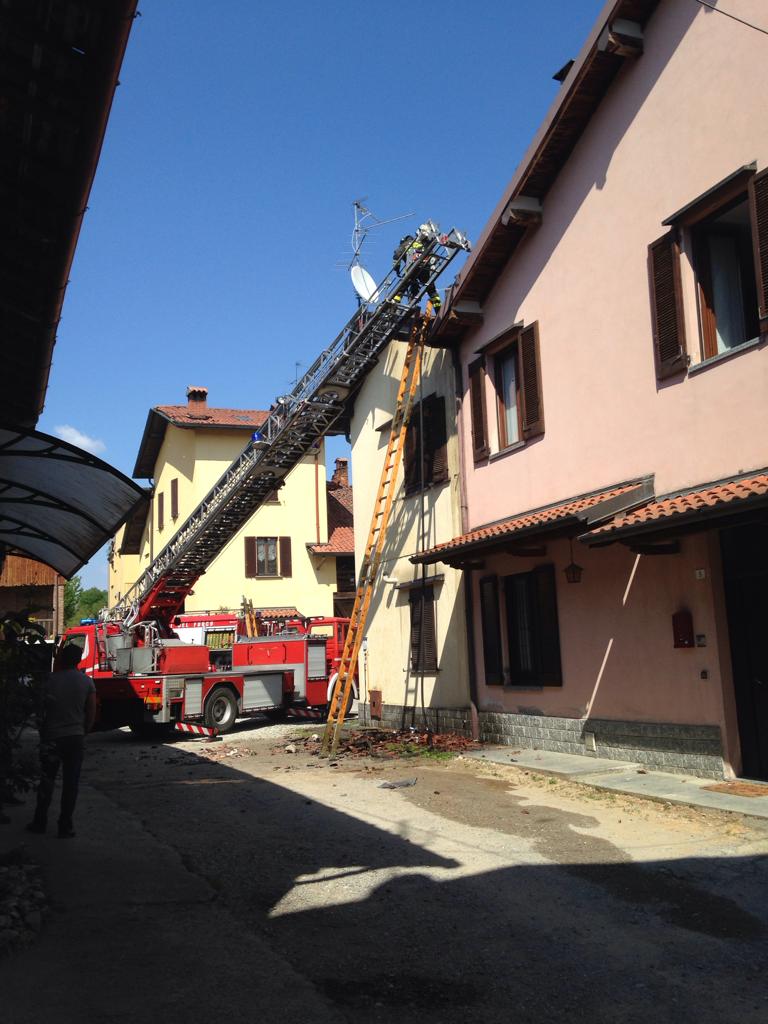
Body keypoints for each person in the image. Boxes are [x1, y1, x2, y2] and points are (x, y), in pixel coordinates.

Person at [26, 644, 96, 838]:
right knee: (70, 784)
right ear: (79, 660)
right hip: (75, 738)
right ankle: (65, 826)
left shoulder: (49, 681)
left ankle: (40, 821)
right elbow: (91, 712)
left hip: (52, 738)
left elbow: (39, 710)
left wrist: (43, 732)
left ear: (62, 659)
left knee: (47, 780)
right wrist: (84, 731)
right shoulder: (86, 682)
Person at [391, 226, 442, 310]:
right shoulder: (424, 244)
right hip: (425, 268)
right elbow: (432, 255)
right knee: (431, 290)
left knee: (403, 286)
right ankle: (439, 309)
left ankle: (395, 303)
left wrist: (397, 268)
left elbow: (397, 255)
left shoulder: (406, 244)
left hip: (413, 267)